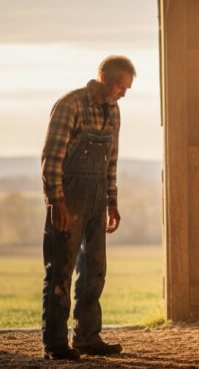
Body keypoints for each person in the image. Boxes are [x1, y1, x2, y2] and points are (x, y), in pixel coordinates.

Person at [40, 55, 135, 360]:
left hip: (96, 199)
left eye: (127, 89)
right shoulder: (70, 105)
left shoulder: (114, 112)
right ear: (105, 78)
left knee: (95, 270)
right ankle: (55, 344)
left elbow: (111, 161)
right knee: (61, 270)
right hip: (69, 199)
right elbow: (51, 158)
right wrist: (56, 202)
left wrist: (112, 202)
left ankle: (87, 337)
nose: (123, 94)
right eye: (122, 86)